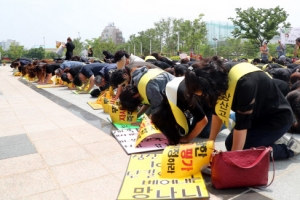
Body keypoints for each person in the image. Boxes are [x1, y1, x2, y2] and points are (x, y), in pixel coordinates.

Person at [185, 56, 298, 160]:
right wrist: (210, 143)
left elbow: (242, 125)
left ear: (210, 84)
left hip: (276, 119)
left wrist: (233, 160)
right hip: (255, 117)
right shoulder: (218, 75)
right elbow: (218, 111)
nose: (203, 96)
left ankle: (290, 148)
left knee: (243, 151)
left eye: (203, 93)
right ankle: (267, 139)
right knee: (230, 144)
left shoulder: (245, 82)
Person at [151, 77, 209, 144]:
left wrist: (187, 138)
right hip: (198, 97)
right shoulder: (168, 96)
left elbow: (203, 120)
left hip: (211, 103)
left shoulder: (184, 97)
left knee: (204, 132)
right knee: (193, 127)